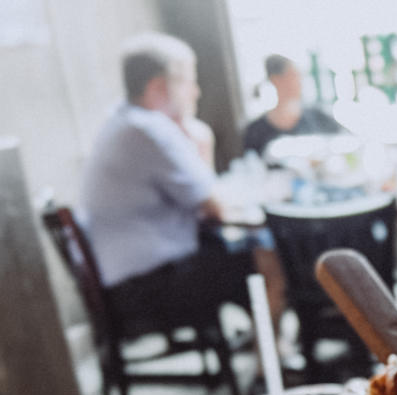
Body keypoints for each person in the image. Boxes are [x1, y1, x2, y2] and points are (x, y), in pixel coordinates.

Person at [80, 33, 287, 343]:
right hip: (146, 287)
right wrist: (203, 140)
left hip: (127, 282)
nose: (196, 91)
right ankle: (268, 363)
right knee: (270, 257)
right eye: (189, 82)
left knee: (241, 250)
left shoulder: (122, 121)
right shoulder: (149, 130)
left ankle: (261, 342)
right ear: (159, 87)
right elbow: (214, 208)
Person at [241, 55, 342, 158]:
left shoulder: (318, 117)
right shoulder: (256, 132)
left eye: (299, 76)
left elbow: (342, 142)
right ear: (275, 80)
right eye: (293, 76)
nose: (299, 82)